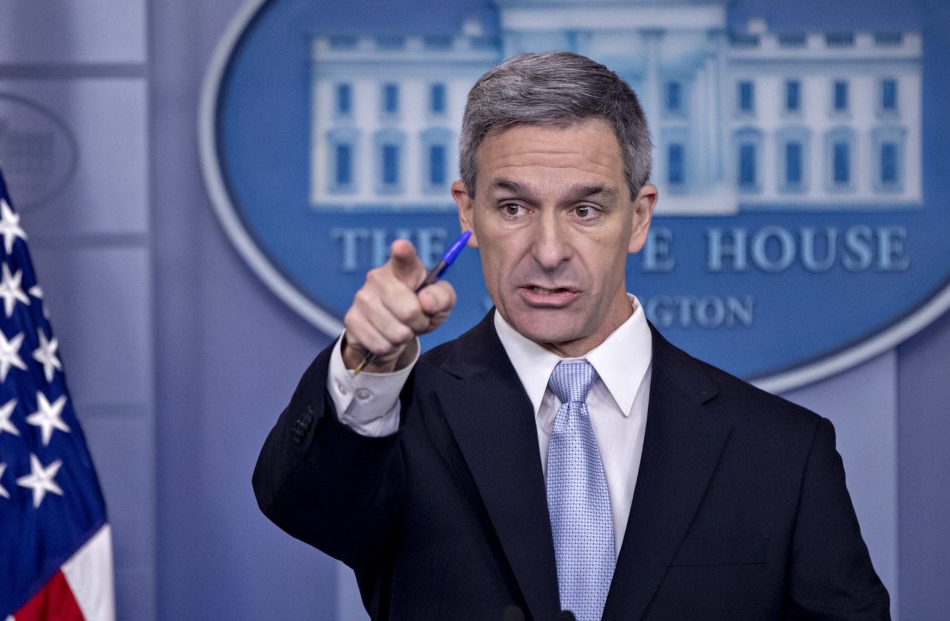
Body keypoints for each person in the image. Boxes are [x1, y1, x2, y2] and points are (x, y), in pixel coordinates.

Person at [253, 51, 890, 621]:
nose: (549, 251)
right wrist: (366, 366)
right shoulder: (399, 420)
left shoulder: (782, 451)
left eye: (585, 210)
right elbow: (304, 508)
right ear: (466, 210)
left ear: (638, 218)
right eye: (514, 208)